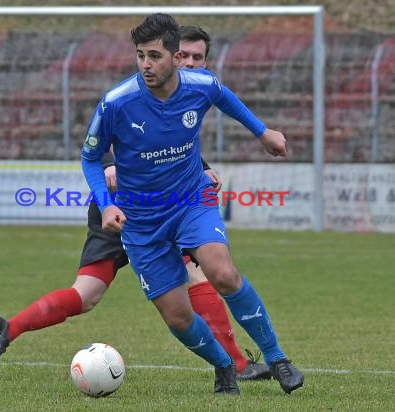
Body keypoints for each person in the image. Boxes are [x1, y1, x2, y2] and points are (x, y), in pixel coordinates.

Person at [0, 25, 271, 382]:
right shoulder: (130, 96)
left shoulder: (192, 94)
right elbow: (103, 145)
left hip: (162, 208)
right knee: (89, 295)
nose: (191, 62)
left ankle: (7, 330)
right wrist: (110, 167)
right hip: (120, 210)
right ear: (173, 57)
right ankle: (237, 365)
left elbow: (175, 148)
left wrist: (204, 170)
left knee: (194, 273)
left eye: (198, 58)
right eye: (185, 56)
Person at [81, 13, 304, 395]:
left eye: (154, 56)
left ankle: (278, 358)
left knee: (223, 273)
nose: (146, 65)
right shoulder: (117, 103)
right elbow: (89, 157)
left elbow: (225, 97)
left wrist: (262, 132)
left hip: (190, 200)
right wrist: (106, 204)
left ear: (173, 56)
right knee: (178, 316)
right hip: (142, 221)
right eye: (140, 56)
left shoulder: (200, 86)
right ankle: (224, 366)